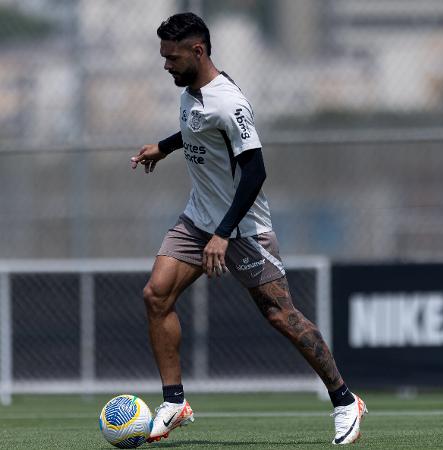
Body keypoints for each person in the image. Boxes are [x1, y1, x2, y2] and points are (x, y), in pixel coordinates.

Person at [131, 12, 367, 445]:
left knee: (280, 314)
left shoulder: (229, 101)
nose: (166, 65)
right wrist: (163, 148)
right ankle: (175, 401)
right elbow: (196, 130)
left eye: (172, 57)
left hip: (242, 229)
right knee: (156, 295)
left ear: (198, 51)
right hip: (198, 219)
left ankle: (344, 400)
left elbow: (255, 172)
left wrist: (223, 233)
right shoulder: (190, 91)